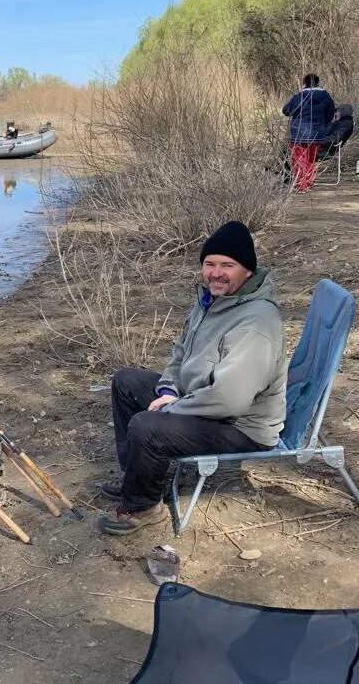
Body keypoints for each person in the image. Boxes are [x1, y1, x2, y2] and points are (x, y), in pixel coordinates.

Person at [97, 221, 289, 535]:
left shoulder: (257, 321)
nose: (216, 272)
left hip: (240, 425)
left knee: (147, 425)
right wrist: (169, 389)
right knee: (126, 382)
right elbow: (180, 352)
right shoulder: (211, 302)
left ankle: (144, 508)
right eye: (210, 264)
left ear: (248, 272)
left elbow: (230, 400)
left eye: (228, 265)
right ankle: (137, 477)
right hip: (203, 402)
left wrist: (171, 408)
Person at [282, 73, 335, 192]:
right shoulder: (326, 96)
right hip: (317, 133)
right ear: (318, 82)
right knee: (311, 159)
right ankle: (309, 182)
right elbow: (330, 114)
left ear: (305, 83)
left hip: (299, 133)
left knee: (299, 159)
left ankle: (301, 185)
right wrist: (323, 125)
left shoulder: (300, 96)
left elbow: (286, 111)